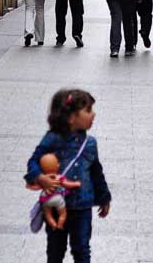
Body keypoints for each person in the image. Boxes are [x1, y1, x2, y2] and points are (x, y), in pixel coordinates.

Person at [25, 89, 111, 263]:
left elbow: (96, 172)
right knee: (55, 250)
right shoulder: (52, 139)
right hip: (57, 205)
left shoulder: (90, 143)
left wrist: (104, 198)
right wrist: (40, 178)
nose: (93, 114)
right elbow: (33, 161)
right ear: (71, 117)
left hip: (83, 206)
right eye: (88, 110)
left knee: (82, 249)